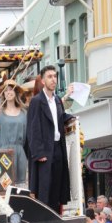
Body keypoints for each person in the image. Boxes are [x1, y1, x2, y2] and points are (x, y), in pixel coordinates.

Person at [26, 65, 74, 212]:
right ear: (42, 80)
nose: (53, 80)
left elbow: (59, 119)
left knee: (57, 186)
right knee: (44, 188)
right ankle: (44, 219)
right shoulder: (36, 101)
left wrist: (72, 118)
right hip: (44, 151)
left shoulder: (58, 100)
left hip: (58, 148)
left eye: (55, 76)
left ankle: (55, 218)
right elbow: (32, 128)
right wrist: (38, 152)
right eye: (50, 77)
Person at [0, 79, 28, 186]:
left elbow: (26, 136)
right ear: (3, 93)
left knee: (21, 185)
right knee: (4, 184)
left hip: (20, 152)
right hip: (3, 153)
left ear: (16, 92)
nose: (8, 92)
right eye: (6, 90)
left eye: (11, 89)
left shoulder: (24, 113)